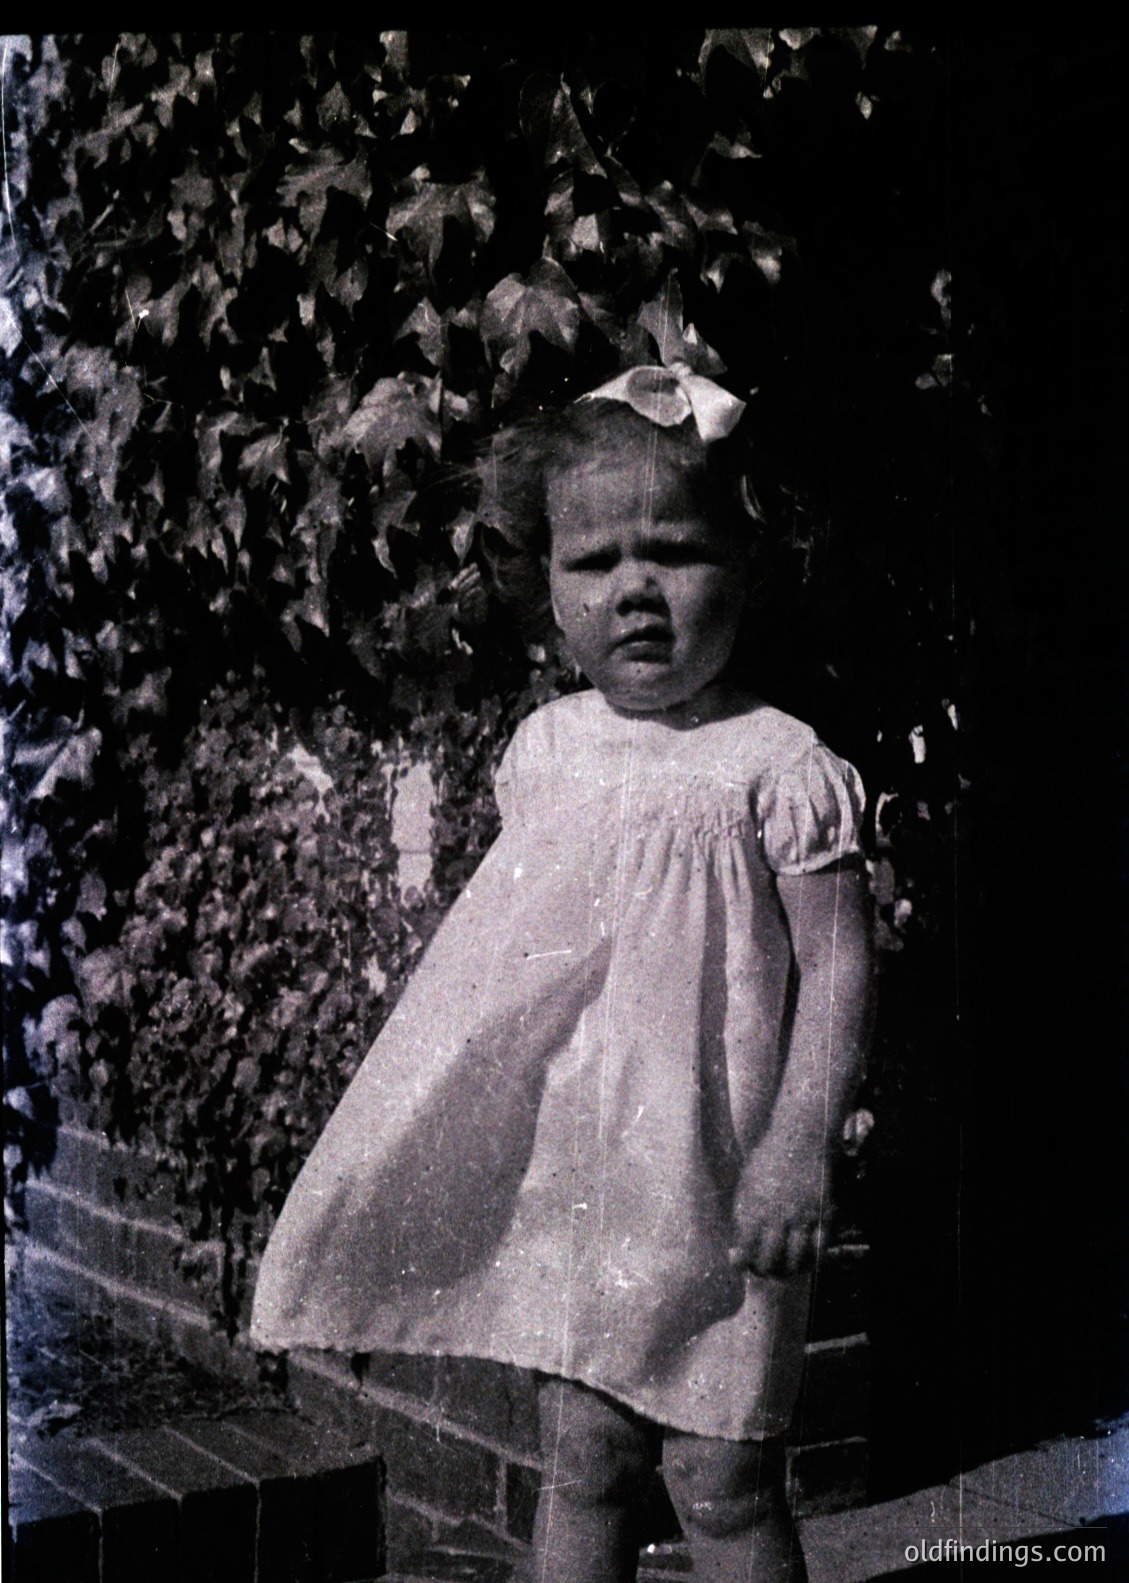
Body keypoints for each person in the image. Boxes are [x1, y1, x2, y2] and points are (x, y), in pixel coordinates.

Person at [251, 360, 874, 1583]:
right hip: (586, 1175)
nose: (634, 590)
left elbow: (841, 963)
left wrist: (801, 1139)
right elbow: (504, 958)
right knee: (581, 1448)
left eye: (676, 553)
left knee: (721, 1473)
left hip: (721, 1171)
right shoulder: (545, 749)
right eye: (594, 563)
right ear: (546, 583)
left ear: (744, 562)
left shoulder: (779, 765)